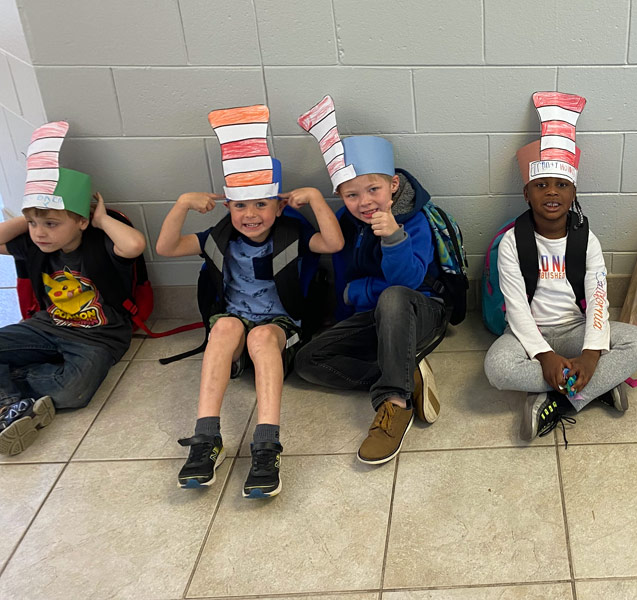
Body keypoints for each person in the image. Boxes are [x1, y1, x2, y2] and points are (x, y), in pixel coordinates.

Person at [157, 105, 343, 498]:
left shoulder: (292, 236)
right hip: (235, 324)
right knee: (223, 326)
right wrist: (181, 205)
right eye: (241, 205)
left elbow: (334, 243)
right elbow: (167, 246)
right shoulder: (219, 239)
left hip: (280, 330)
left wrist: (315, 200)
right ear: (229, 207)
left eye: (261, 204)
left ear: (278, 206)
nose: (251, 214)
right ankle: (207, 437)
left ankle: (266, 444)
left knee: (261, 339)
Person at [483, 92, 637, 442]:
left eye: (561, 185)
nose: (551, 192)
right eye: (541, 185)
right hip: (526, 333)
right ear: (526, 193)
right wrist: (544, 355)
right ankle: (597, 388)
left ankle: (557, 401)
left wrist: (591, 354)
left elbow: (599, 298)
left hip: (575, 329)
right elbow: (515, 307)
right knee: (497, 368)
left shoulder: (586, 240)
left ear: (573, 192)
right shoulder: (513, 242)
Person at [292, 95, 447, 466]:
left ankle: (395, 402)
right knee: (307, 361)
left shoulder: (414, 221)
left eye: (373, 190)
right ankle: (404, 372)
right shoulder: (347, 223)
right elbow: (344, 280)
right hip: (376, 320)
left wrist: (394, 238)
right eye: (351, 194)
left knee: (393, 296)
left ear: (393, 185)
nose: (364, 202)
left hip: (421, 310)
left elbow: (408, 284)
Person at [0, 121, 146, 455]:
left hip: (99, 337)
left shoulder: (100, 244)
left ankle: (10, 387)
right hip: (45, 326)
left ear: (81, 220)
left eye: (51, 223)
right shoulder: (35, 246)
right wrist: (32, 214)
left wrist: (101, 218)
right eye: (35, 224)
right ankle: (11, 404)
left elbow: (134, 245)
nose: (40, 233)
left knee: (73, 392)